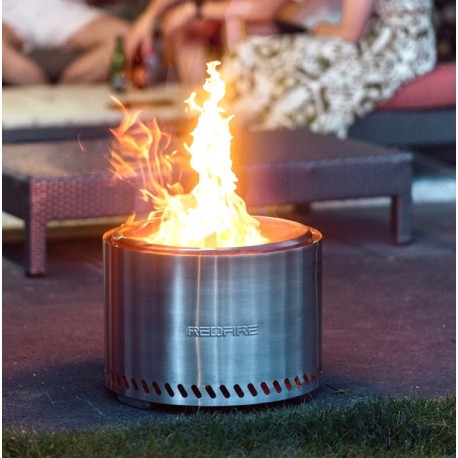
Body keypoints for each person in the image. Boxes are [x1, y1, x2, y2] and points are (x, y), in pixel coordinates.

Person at [220, 0, 437, 137]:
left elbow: (349, 34)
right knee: (276, 56)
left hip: (389, 53)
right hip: (418, 48)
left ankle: (242, 131)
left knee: (258, 53)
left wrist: (318, 28)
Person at [2, 0, 130, 85]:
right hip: (7, 11)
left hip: (62, 8)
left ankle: (64, 94)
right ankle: (43, 98)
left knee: (125, 39)